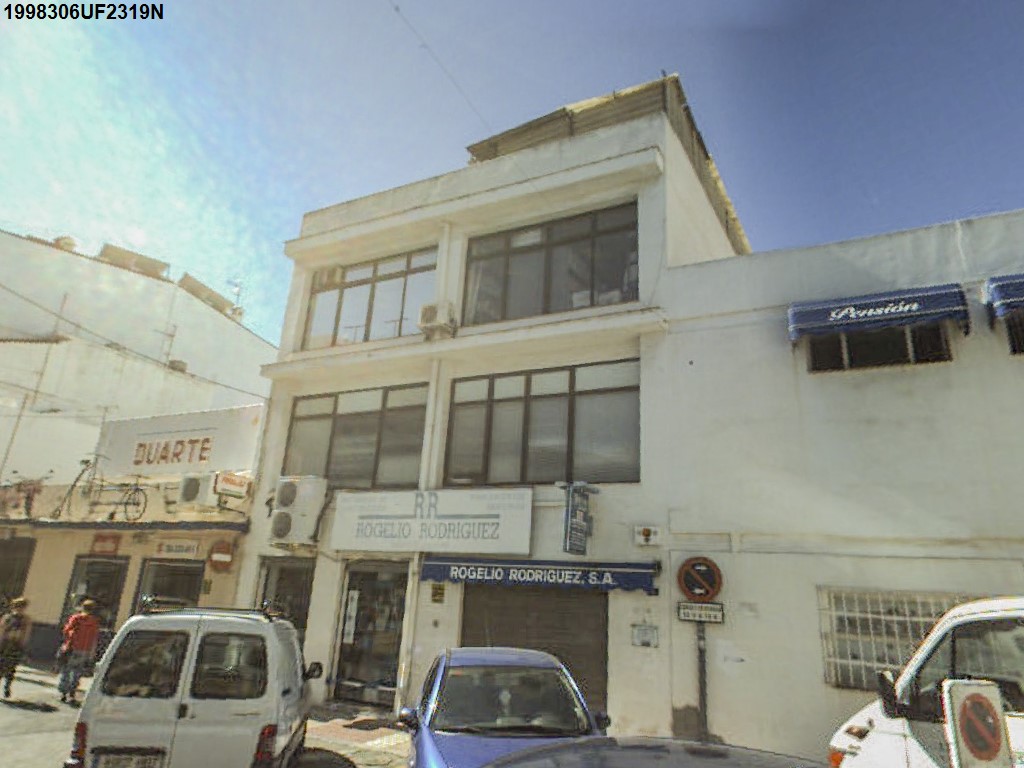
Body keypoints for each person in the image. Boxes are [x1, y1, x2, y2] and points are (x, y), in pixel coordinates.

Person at [57, 599, 101, 704]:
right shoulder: (94, 622)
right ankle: (72, 693)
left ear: (82, 607)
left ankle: (63, 693)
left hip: (72, 647)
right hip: (85, 649)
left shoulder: (76, 618)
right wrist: (92, 652)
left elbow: (66, 631)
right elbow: (94, 638)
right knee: (77, 672)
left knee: (66, 670)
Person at [0, 597, 32, 699]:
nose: (19, 608)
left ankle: (7, 686)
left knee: (11, 668)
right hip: (5, 645)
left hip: (16, 646)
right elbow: (2, 630)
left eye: (22, 606)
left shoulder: (25, 619)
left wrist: (23, 646)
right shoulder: (7, 617)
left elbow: (26, 633)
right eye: (17, 606)